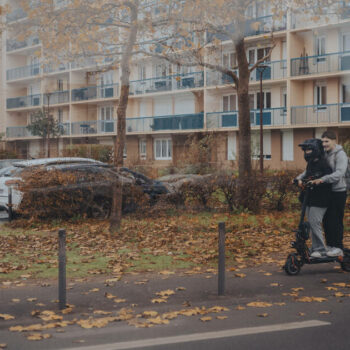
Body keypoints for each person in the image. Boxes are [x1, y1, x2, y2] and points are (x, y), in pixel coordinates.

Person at [310, 131, 348, 257]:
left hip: (338, 191)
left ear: (334, 141)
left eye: (327, 141)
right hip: (327, 192)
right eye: (323, 142)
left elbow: (339, 173)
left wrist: (323, 179)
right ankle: (330, 246)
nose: (324, 144)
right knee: (327, 220)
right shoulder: (324, 154)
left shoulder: (340, 154)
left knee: (336, 220)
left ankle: (338, 247)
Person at [296, 138, 332, 258]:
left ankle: (321, 249)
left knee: (314, 222)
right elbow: (306, 175)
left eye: (309, 150)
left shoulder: (324, 162)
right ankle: (315, 248)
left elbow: (327, 178)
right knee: (309, 224)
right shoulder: (311, 163)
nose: (306, 152)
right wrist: (299, 180)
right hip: (309, 197)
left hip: (321, 198)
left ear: (316, 150)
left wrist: (317, 180)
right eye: (305, 150)